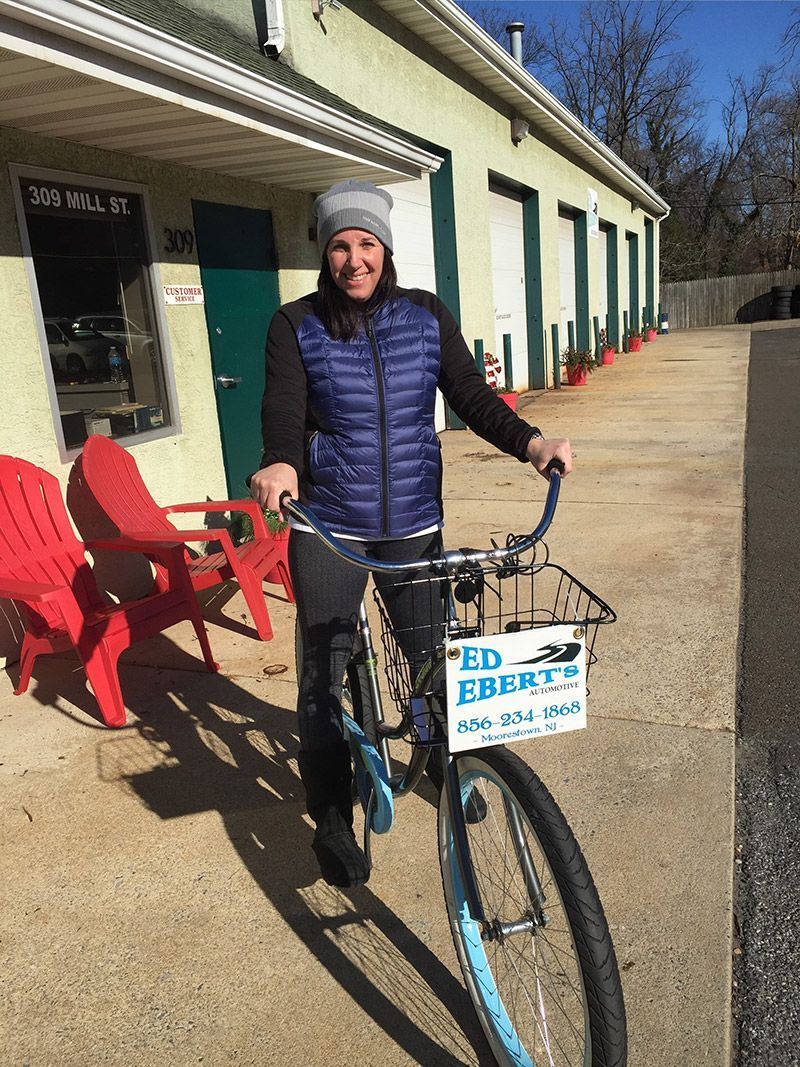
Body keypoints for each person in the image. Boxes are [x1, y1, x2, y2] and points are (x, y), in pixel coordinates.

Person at [250, 179, 571, 889]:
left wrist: (531, 441)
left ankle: (446, 766)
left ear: (385, 249)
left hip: (414, 527)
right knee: (323, 671)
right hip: (330, 526)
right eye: (339, 245)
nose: (354, 258)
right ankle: (331, 814)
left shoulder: (424, 316)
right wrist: (278, 460)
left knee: (433, 661)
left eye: (366, 243)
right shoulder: (295, 324)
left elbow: (469, 395)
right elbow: (284, 410)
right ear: (324, 254)